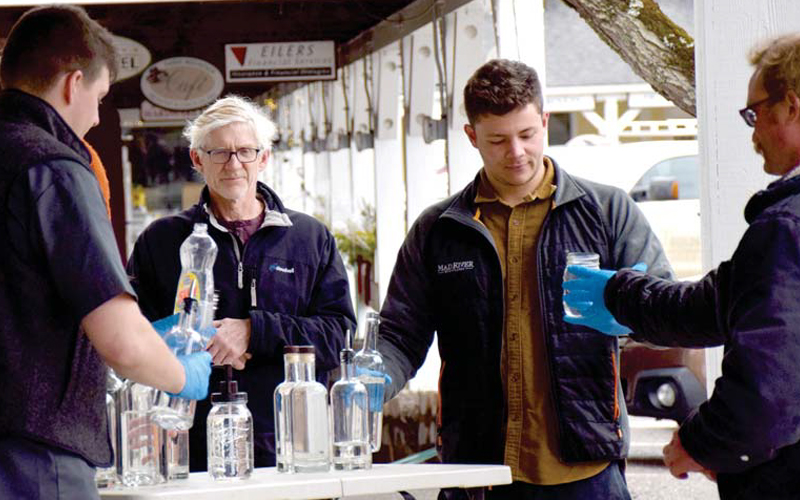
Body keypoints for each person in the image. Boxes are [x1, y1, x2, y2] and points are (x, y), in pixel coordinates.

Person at [376, 58, 673, 499]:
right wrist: (371, 382)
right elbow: (400, 335)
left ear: (545, 122)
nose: (516, 152)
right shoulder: (438, 230)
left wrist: (629, 316)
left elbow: (663, 309)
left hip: (585, 471)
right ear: (472, 137)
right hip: (478, 471)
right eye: (497, 140)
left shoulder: (608, 212)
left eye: (527, 134)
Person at [563, 33, 800, 500]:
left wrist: (697, 444)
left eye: (754, 114)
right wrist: (622, 293)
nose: (751, 134)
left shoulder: (786, 227)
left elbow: (767, 393)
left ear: (790, 106)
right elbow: (712, 305)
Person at [0, 6, 212, 499]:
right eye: (98, 97)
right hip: (32, 457)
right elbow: (123, 343)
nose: (96, 117)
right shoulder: (53, 167)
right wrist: (182, 374)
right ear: (74, 84)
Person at [127, 95, 356, 470]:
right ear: (197, 159)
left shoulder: (310, 239)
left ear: (263, 158)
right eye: (219, 152)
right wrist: (191, 339)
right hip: (189, 448)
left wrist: (255, 332)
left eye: (245, 151)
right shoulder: (162, 242)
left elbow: (339, 336)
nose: (234, 164)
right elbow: (134, 336)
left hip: (291, 446)